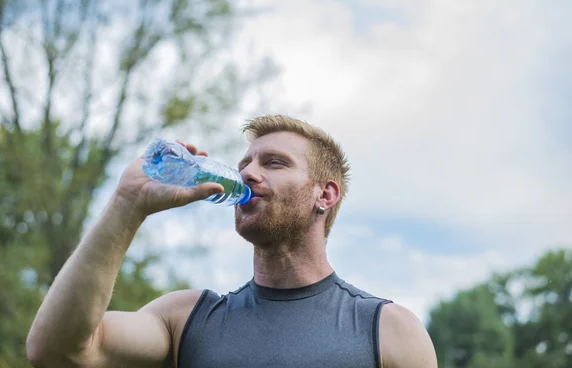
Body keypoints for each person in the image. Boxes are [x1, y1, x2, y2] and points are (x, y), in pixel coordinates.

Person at [26, 114, 438, 368]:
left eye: (274, 163)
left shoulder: (387, 329)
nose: (247, 174)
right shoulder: (185, 319)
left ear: (324, 195)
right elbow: (58, 351)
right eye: (244, 164)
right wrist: (126, 204)